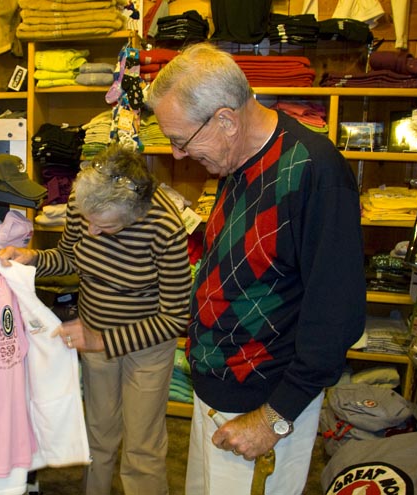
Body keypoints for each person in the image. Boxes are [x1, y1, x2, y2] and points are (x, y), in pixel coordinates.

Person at [144, 42, 366, 494]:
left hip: (261, 409)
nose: (178, 154)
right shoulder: (235, 161)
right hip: (218, 397)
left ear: (226, 120)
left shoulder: (314, 172)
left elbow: (336, 315)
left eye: (181, 140)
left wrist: (275, 417)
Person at [0, 143, 192, 495]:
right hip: (95, 333)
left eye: (104, 227)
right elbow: (70, 257)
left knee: (142, 446)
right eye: (87, 221)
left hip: (146, 343)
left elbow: (175, 316)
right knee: (98, 436)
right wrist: (33, 258)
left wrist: (104, 341)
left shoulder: (165, 227)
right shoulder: (82, 201)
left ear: (134, 216)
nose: (92, 233)